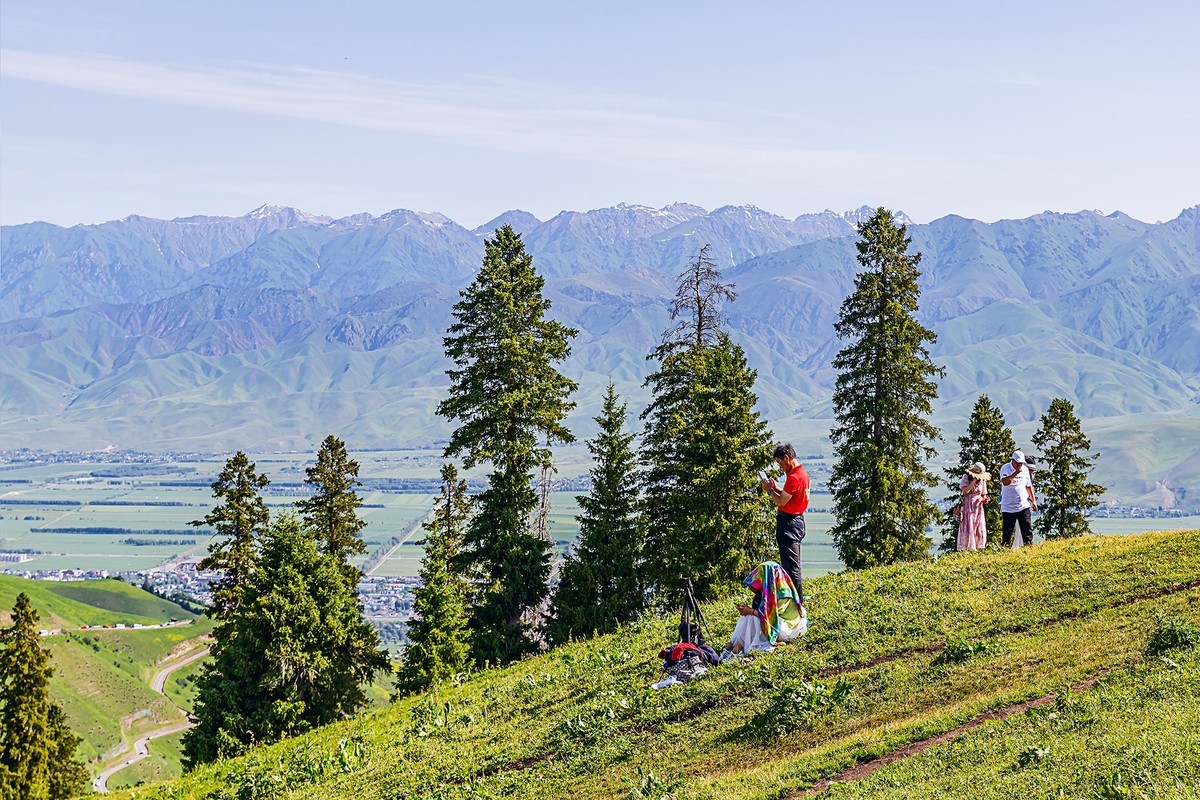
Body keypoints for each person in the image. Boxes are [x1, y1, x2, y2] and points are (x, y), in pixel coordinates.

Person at [721, 561, 807, 658]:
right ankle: (733, 646)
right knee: (749, 618)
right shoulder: (770, 590)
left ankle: (735, 649)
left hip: (786, 628)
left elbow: (771, 618)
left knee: (752, 618)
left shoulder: (783, 593)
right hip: (776, 625)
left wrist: (750, 611)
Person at [760, 443, 810, 602]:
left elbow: (781, 502)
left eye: (780, 463)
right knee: (791, 564)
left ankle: (797, 603)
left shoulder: (794, 477)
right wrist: (776, 487)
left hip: (789, 523)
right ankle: (793, 599)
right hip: (797, 521)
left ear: (787, 458)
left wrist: (768, 490)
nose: (780, 467)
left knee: (791, 567)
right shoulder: (801, 473)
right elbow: (790, 495)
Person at [999, 450, 1037, 547]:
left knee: (1027, 530)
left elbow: (1028, 486)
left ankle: (1028, 548)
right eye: (1018, 463)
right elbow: (1005, 482)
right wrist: (1015, 473)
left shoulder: (1024, 469)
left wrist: (1033, 501)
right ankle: (1005, 550)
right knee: (1007, 533)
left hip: (1023, 505)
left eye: (1021, 463)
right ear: (1013, 460)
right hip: (1008, 508)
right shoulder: (1005, 468)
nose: (1019, 465)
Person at [957, 462, 990, 551]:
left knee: (979, 526)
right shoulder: (966, 477)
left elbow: (983, 494)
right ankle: (968, 547)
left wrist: (984, 499)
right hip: (968, 506)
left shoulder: (983, 480)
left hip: (978, 506)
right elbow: (964, 492)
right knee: (969, 526)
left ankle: (979, 546)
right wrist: (973, 482)